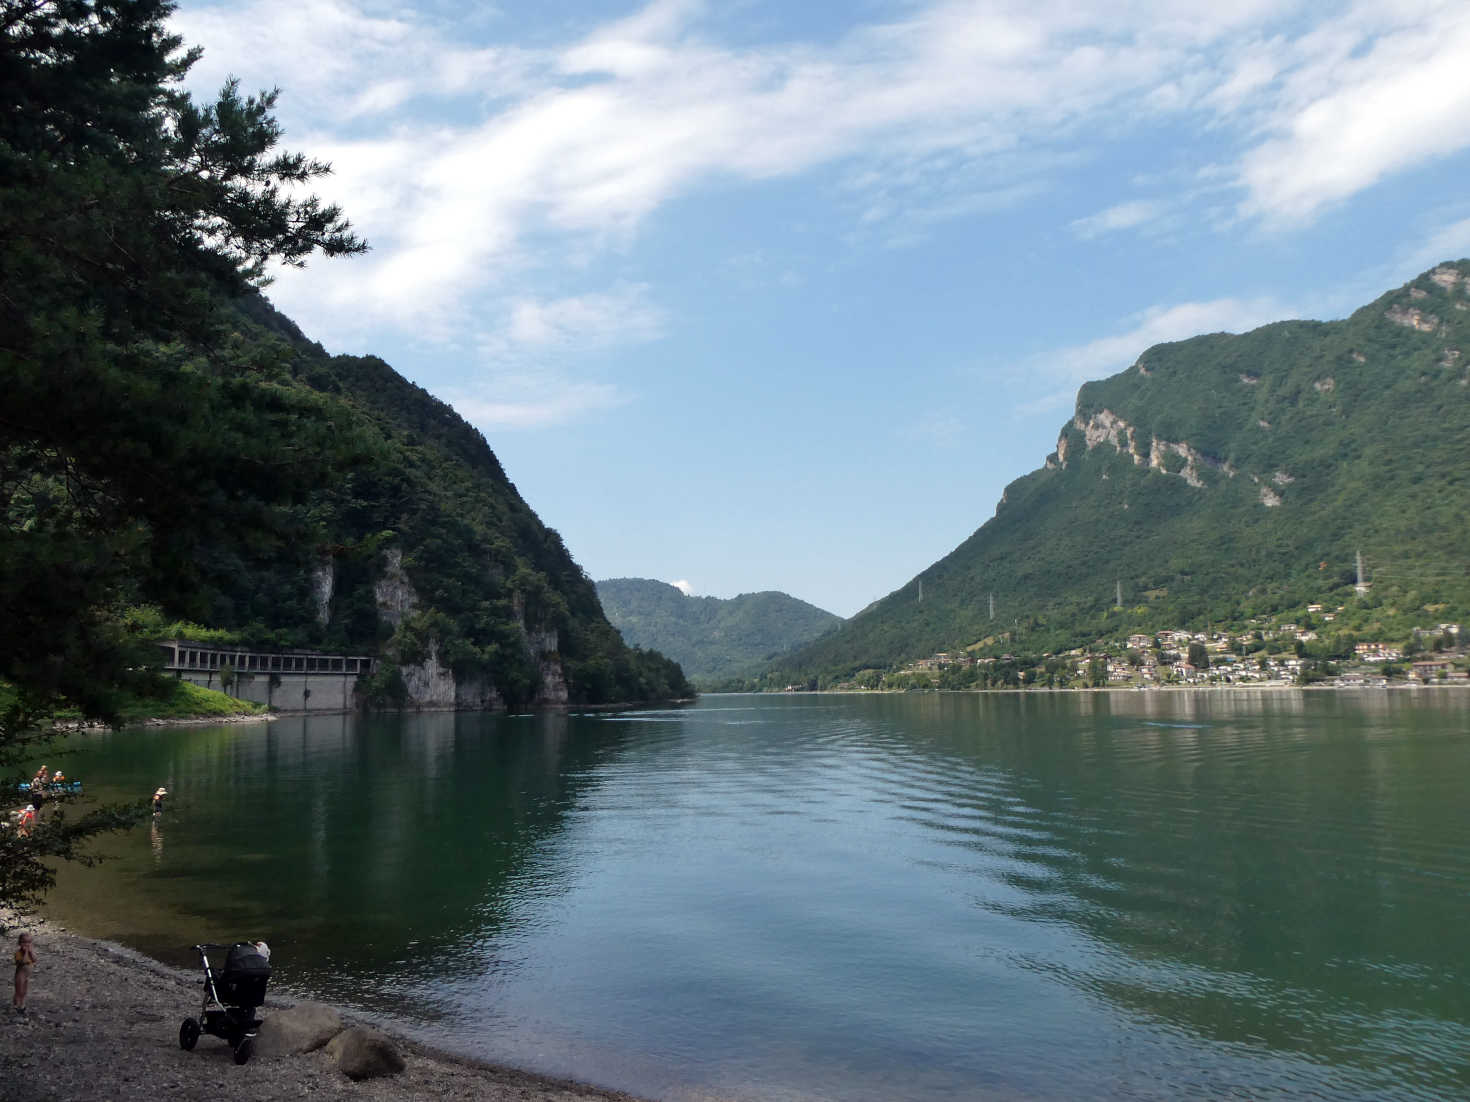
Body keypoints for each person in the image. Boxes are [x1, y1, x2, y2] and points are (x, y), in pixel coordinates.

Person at [13, 932, 36, 1014]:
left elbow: (34, 959)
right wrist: (26, 952)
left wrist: (31, 952)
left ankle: (22, 1005)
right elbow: (24, 961)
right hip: (20, 976)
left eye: (29, 942)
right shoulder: (18, 953)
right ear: (19, 943)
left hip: (26, 975)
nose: (26, 944)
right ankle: (16, 1005)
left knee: (24, 991)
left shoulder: (30, 952)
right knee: (19, 991)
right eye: (24, 942)